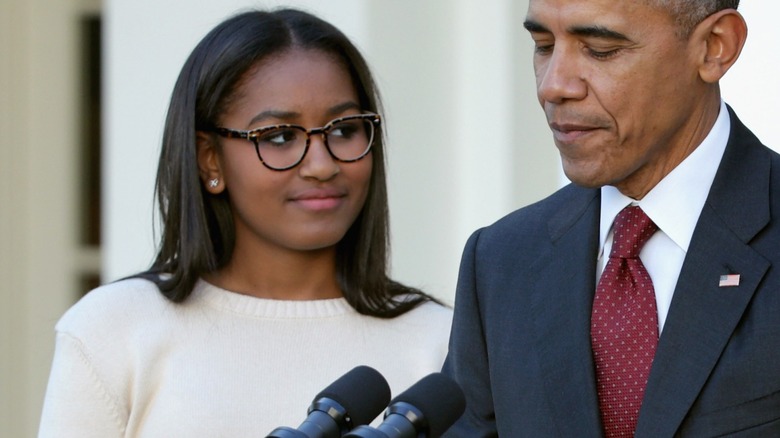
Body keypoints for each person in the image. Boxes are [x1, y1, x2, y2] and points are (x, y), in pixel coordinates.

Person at [38, 8, 452, 437]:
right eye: (279, 137)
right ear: (209, 159)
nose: (322, 165)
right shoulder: (115, 330)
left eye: (344, 130)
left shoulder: (440, 345)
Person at [443, 0, 780, 436]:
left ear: (715, 46)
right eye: (543, 45)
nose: (553, 86)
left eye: (600, 49)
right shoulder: (500, 261)